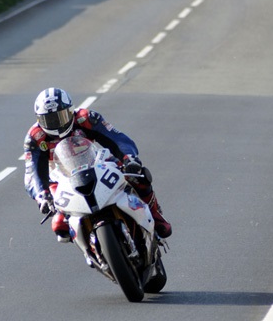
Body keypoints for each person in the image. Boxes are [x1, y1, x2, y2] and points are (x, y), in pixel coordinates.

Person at [24, 88, 172, 241]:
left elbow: (116, 138)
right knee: (59, 224)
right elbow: (31, 172)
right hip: (60, 178)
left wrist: (129, 158)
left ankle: (156, 216)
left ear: (70, 111)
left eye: (60, 117)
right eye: (50, 119)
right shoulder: (35, 137)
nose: (56, 124)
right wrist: (41, 195)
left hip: (96, 162)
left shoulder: (85, 118)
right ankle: (90, 246)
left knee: (139, 177)